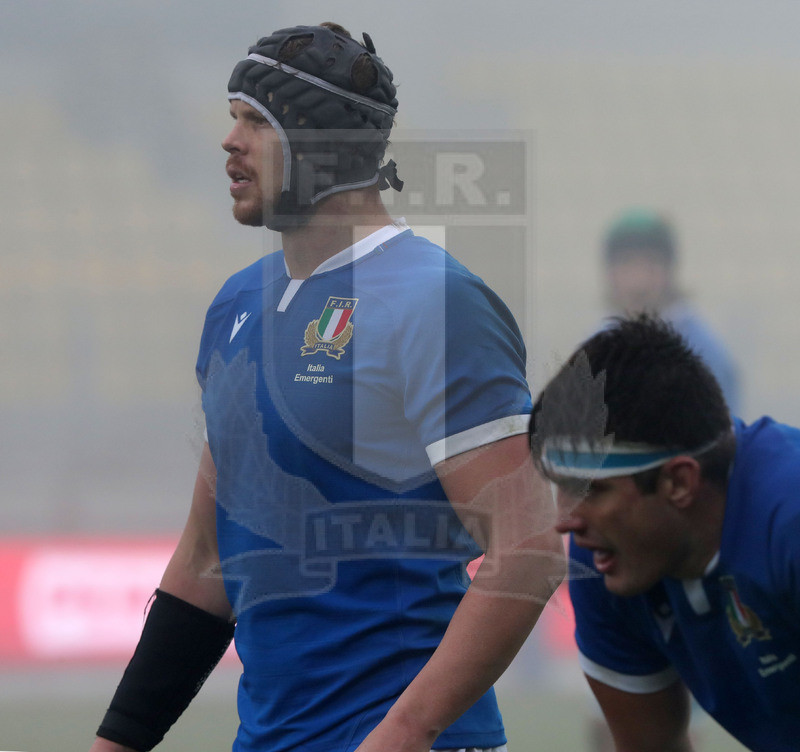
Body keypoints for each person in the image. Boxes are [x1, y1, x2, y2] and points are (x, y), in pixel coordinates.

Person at [90, 22, 564, 752]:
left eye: (256, 120)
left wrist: (403, 732)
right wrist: (117, 741)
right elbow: (209, 560)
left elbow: (528, 543)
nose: (228, 141)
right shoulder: (235, 305)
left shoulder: (435, 301)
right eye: (231, 117)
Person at [528, 313, 800, 752]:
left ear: (679, 483)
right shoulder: (603, 562)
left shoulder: (789, 517)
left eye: (592, 491)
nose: (566, 521)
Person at [602, 208, 741, 414]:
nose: (638, 283)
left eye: (651, 265)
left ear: (670, 271)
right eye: (626, 264)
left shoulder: (703, 352)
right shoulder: (599, 344)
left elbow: (723, 437)